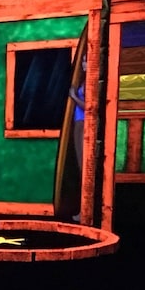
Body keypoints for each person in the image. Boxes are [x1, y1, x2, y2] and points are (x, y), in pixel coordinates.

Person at [67, 56, 87, 223]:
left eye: (87, 60)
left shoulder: (91, 82)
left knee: (84, 168)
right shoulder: (83, 79)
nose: (84, 64)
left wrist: (73, 96)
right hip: (78, 122)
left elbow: (89, 106)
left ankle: (85, 211)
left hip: (84, 123)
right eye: (83, 60)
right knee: (80, 168)